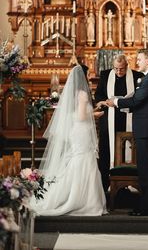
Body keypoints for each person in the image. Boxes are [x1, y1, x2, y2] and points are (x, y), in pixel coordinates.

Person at [30, 65, 107, 216]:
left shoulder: (72, 93)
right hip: (82, 130)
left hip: (76, 130)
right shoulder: (83, 93)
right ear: (83, 76)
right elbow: (81, 116)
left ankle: (73, 195)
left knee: (78, 159)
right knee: (85, 160)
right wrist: (95, 115)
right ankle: (85, 200)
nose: (90, 76)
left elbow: (76, 113)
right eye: (88, 74)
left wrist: (91, 111)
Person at [105, 48, 148, 216]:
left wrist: (116, 102)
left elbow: (137, 100)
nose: (137, 62)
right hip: (146, 128)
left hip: (147, 129)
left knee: (147, 170)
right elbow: (139, 102)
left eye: (139, 59)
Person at [94, 54, 143, 192]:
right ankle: (105, 184)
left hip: (128, 119)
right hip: (108, 120)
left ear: (127, 66)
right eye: (116, 69)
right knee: (106, 152)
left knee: (126, 150)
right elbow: (98, 95)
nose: (118, 72)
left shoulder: (136, 76)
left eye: (121, 69)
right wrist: (102, 102)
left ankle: (124, 184)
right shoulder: (105, 75)